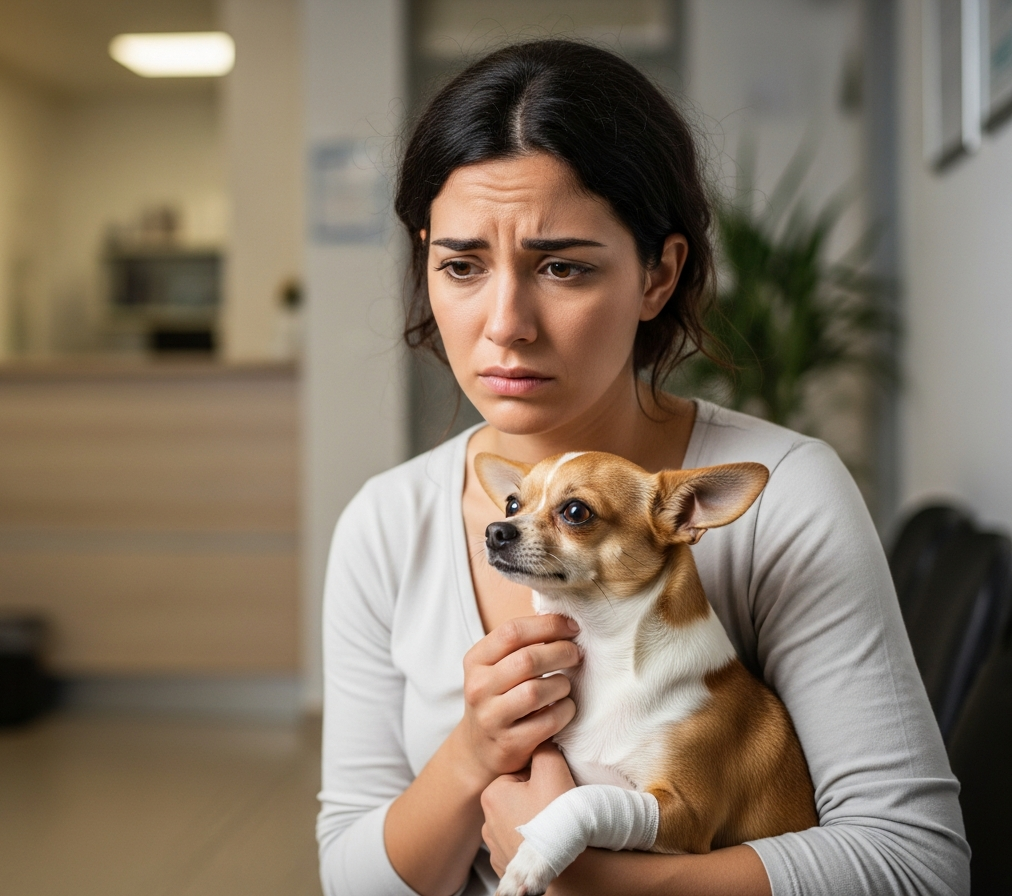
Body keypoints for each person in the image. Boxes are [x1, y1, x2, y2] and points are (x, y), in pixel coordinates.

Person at [316, 39, 968, 896]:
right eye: (462, 266)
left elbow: (915, 865)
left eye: (562, 266)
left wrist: (587, 878)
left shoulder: (786, 495)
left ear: (659, 274)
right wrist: (472, 752)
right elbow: (350, 880)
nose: (505, 322)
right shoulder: (386, 523)